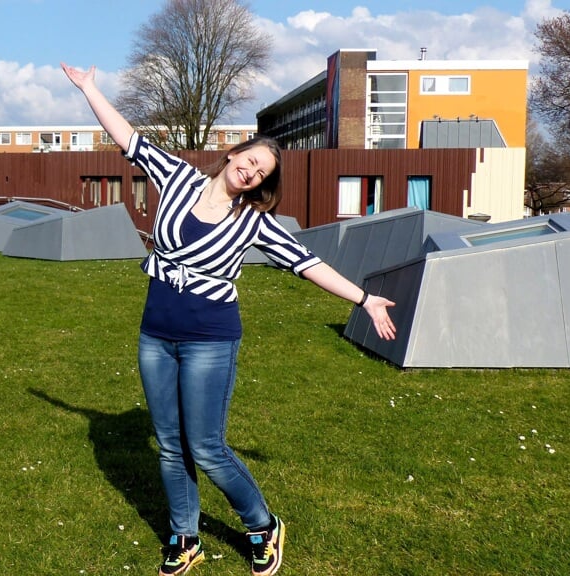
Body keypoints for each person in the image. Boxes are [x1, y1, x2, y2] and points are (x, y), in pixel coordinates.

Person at [61, 63, 397, 576]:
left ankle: (262, 525)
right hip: (156, 336)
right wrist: (90, 89)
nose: (253, 173)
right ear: (234, 153)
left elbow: (307, 263)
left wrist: (364, 299)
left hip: (209, 342)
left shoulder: (253, 222)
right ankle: (184, 536)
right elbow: (127, 137)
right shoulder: (175, 178)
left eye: (262, 174)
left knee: (207, 447)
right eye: (252, 161)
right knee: (170, 446)